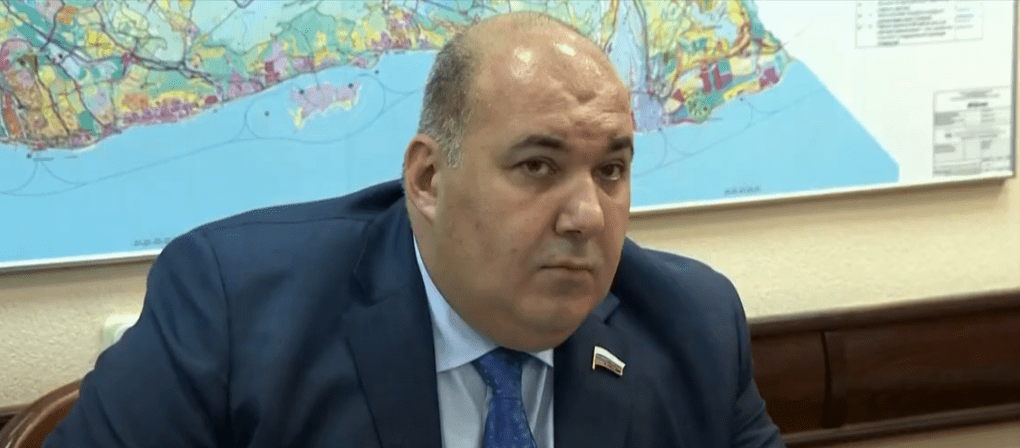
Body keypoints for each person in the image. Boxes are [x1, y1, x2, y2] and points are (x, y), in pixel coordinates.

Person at [44, 12, 783, 448]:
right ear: (428, 179)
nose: (587, 214)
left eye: (611, 170)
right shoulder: (235, 310)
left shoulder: (692, 325)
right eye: (537, 166)